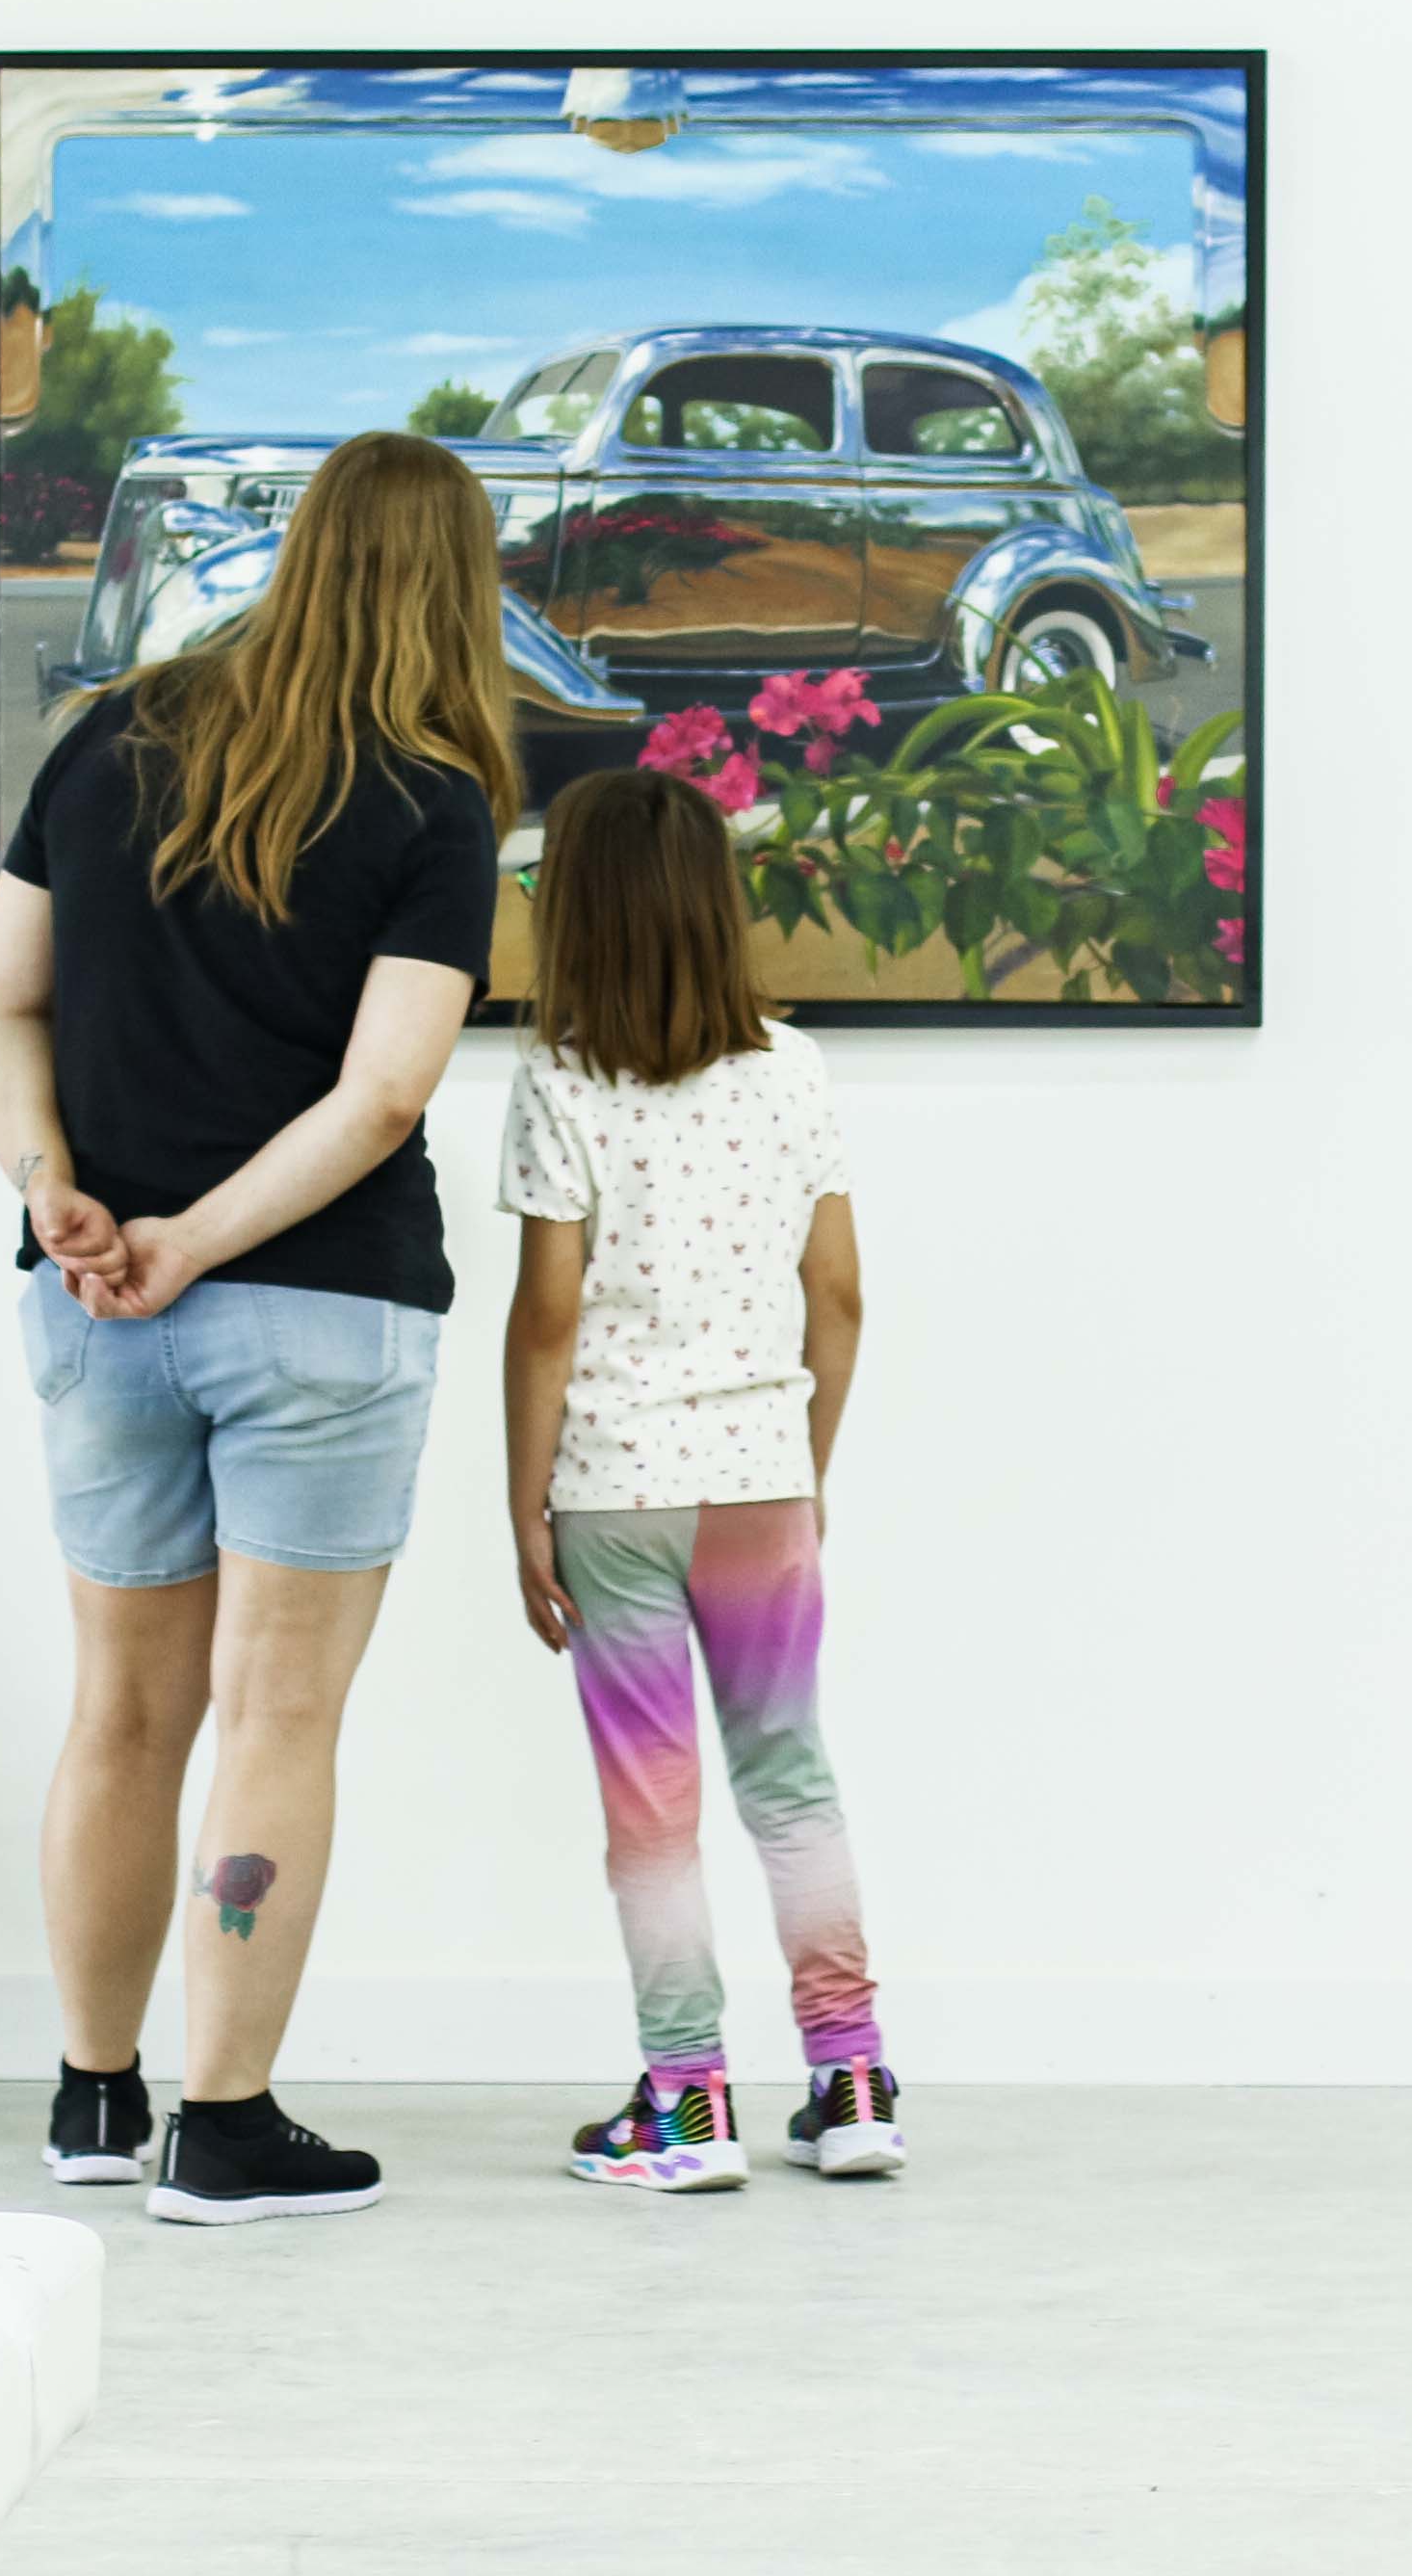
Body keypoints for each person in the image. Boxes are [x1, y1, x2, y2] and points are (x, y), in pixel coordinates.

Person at [0, 431, 511, 2222]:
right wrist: (200, 1239)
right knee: (279, 1714)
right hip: (323, 1319)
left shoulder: (113, 735)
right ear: (454, 582)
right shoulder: (429, 801)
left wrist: (60, 1189)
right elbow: (384, 1097)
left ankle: (96, 2100)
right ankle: (227, 2120)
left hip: (98, 1303)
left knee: (120, 1715)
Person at [496, 767, 897, 2190]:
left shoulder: (562, 1078)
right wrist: (808, 1468)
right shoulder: (794, 1068)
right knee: (793, 1781)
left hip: (617, 1491)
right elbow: (837, 1295)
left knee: (652, 1811)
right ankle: (851, 2082)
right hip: (760, 1482)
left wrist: (522, 1501)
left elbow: (549, 1315)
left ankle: (688, 2105)